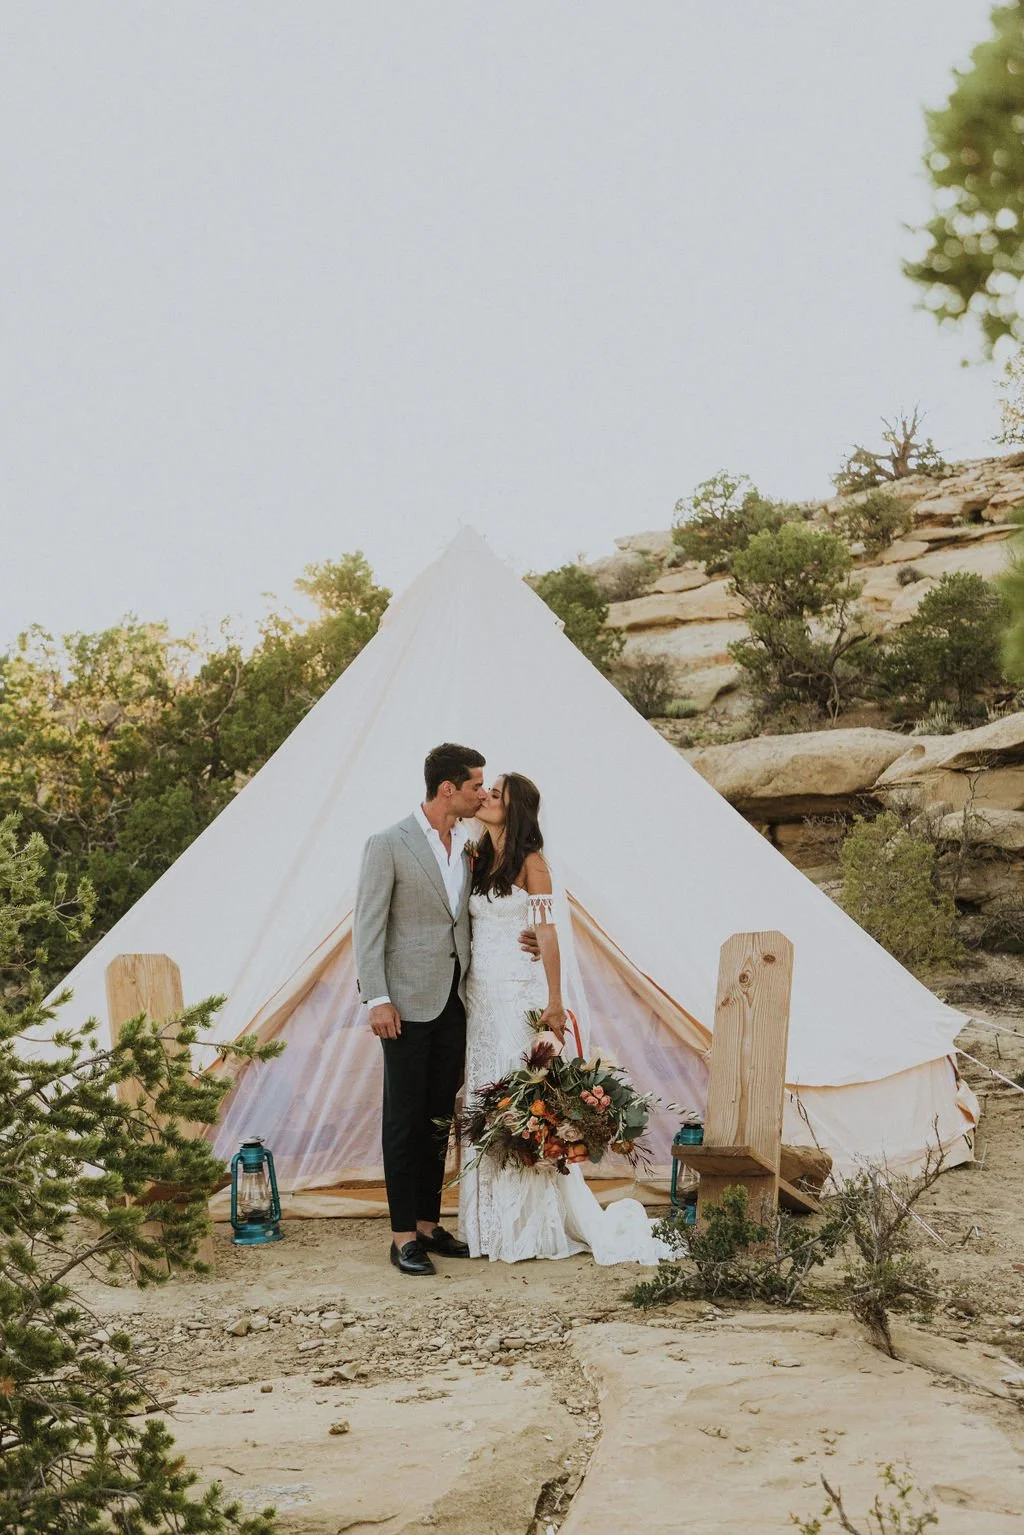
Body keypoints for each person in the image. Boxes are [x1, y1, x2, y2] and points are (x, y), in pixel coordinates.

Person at [459, 773, 667, 1265]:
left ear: (517, 810)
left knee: (518, 1097)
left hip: (518, 996)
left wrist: (554, 999)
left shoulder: (534, 865)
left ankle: (530, 1225)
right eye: (485, 792)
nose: (486, 798)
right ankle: (488, 1226)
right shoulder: (478, 859)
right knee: (482, 1094)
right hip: (482, 999)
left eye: (496, 795)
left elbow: (547, 933)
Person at [354, 743, 486, 1275]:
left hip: (456, 1000)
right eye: (476, 784)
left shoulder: (470, 846)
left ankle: (430, 1226)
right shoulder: (388, 842)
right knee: (404, 1119)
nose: (483, 793)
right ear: (447, 788)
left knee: (438, 1119)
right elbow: (368, 926)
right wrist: (377, 997)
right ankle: (402, 1235)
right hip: (404, 1004)